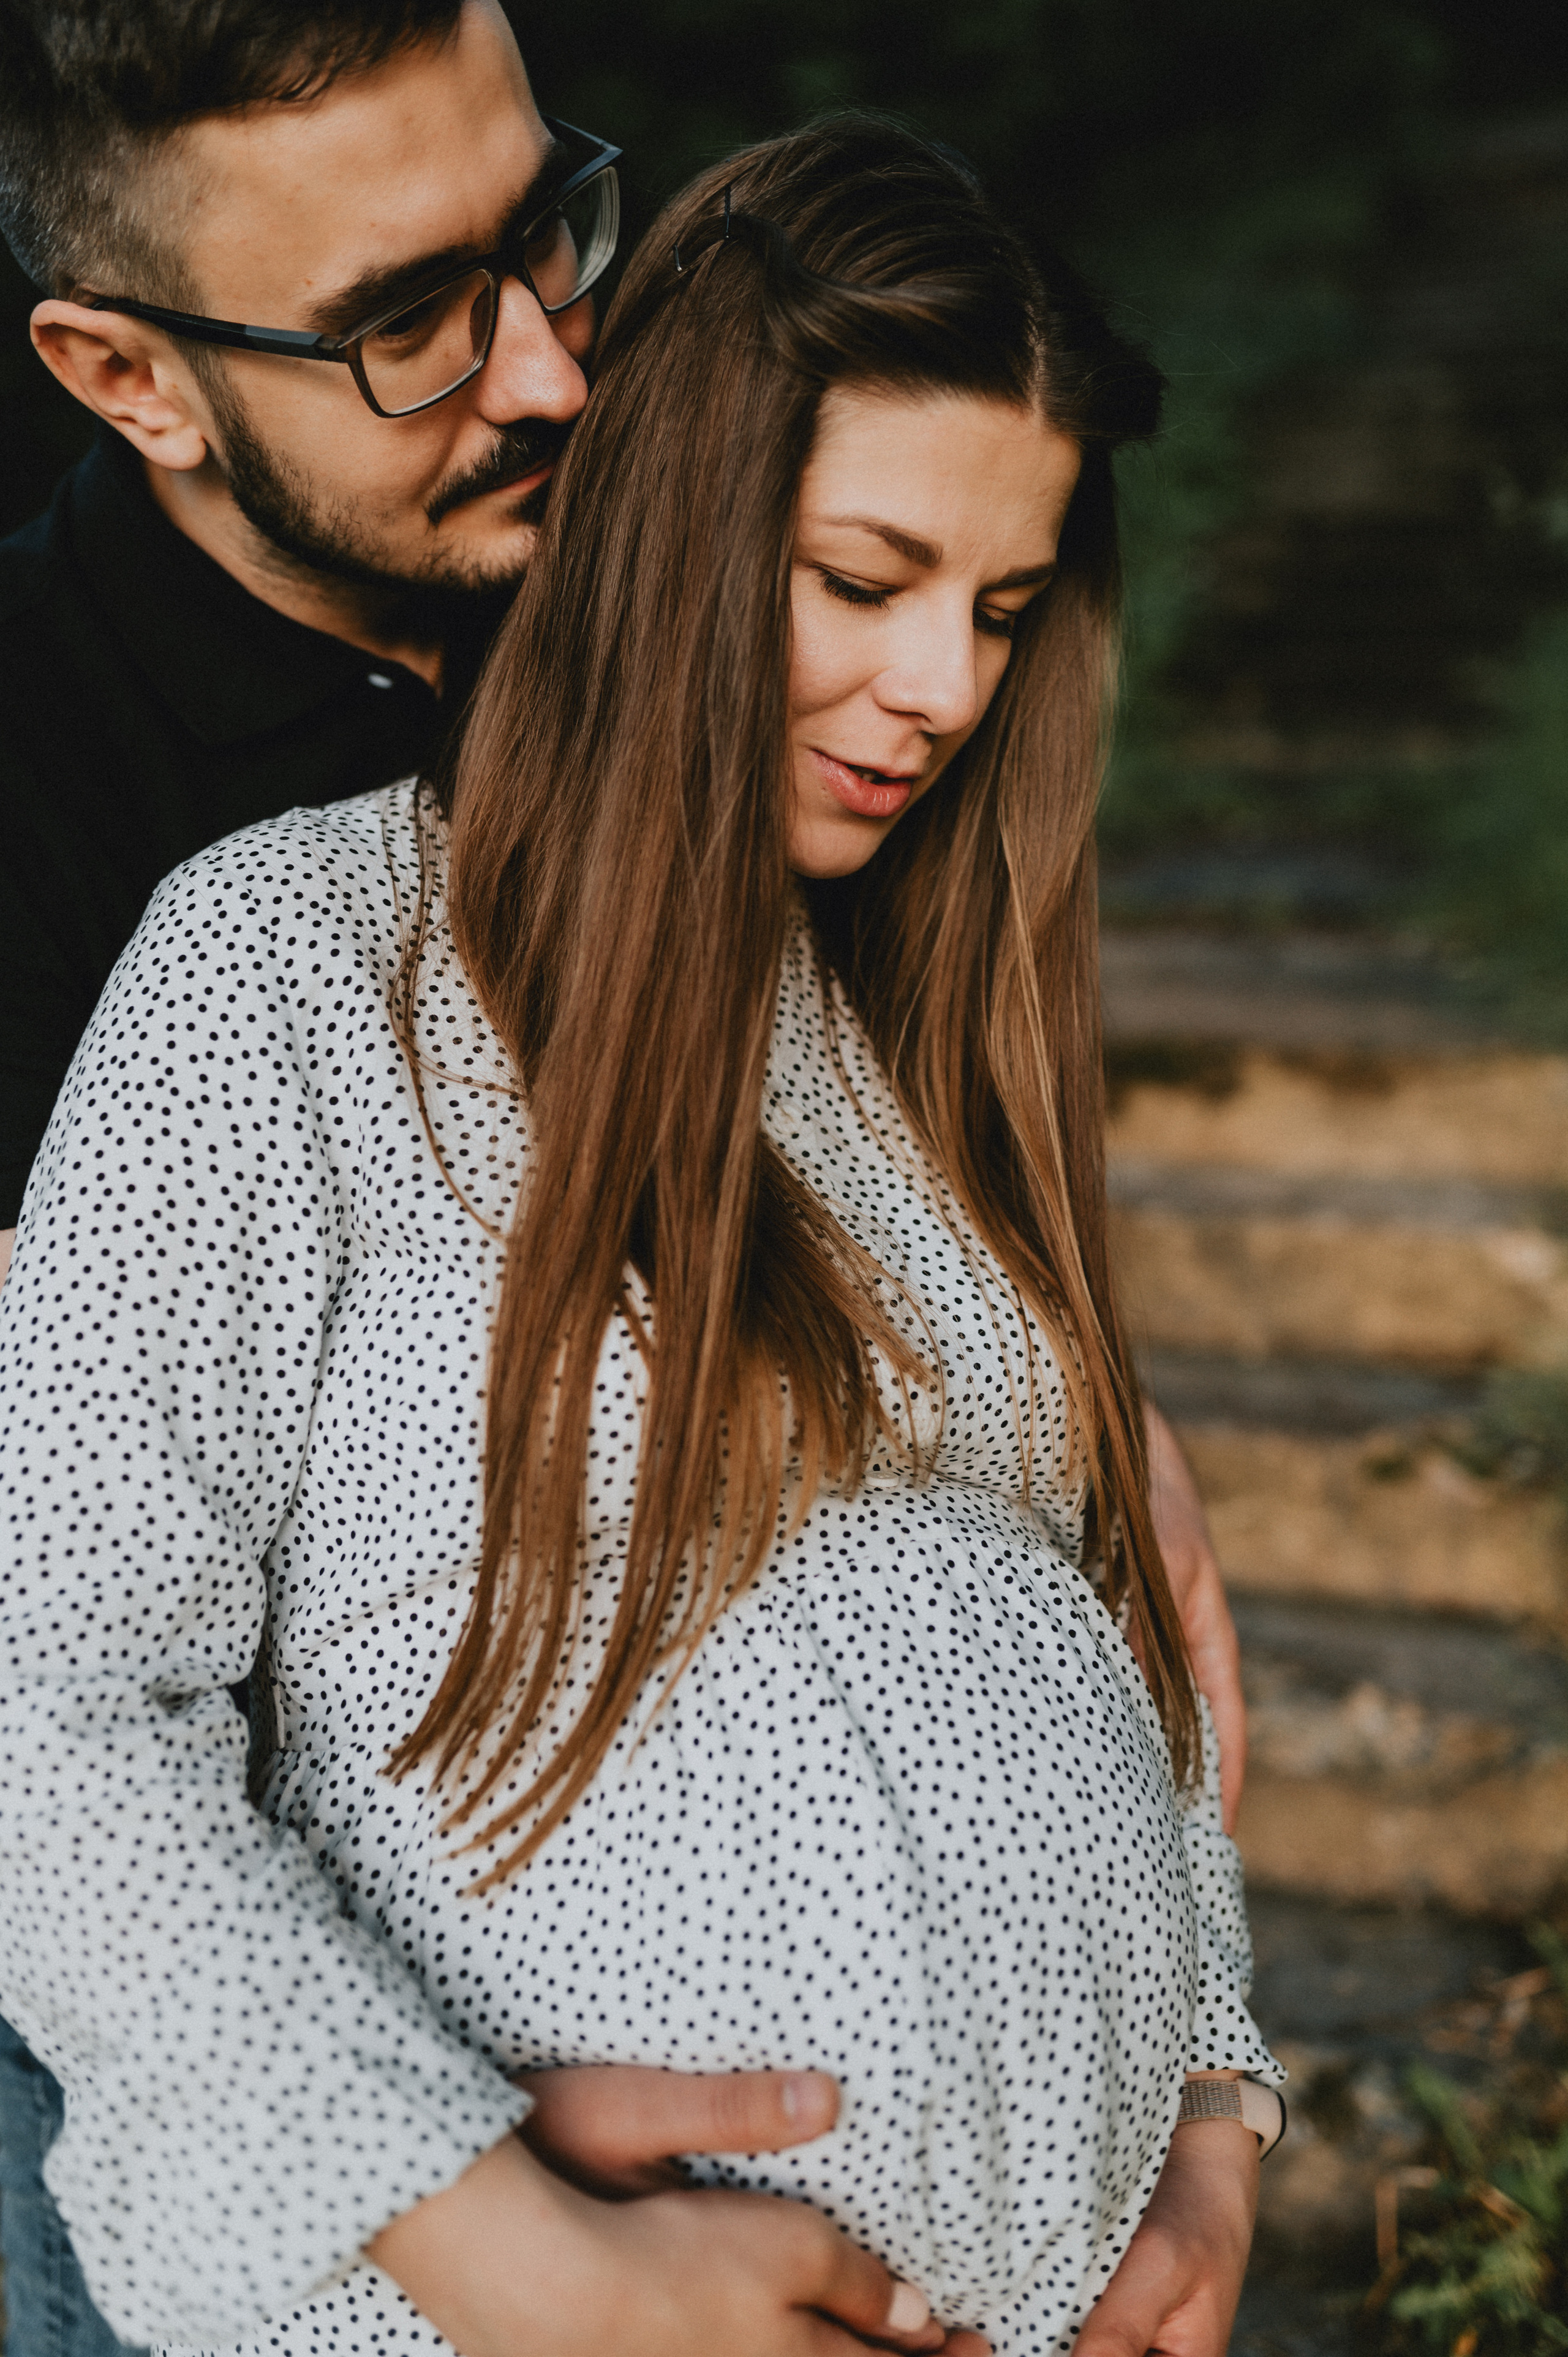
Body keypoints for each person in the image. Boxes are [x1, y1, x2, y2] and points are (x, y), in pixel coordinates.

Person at [0, 112, 1284, 2357]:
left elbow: (1095, 1656)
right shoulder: (288, 970)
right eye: (861, 581)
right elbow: (53, 1710)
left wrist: (1211, 2112)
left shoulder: (915, 1036)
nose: (947, 693)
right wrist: (505, 2242)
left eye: (1001, 608)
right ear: (677, 529)